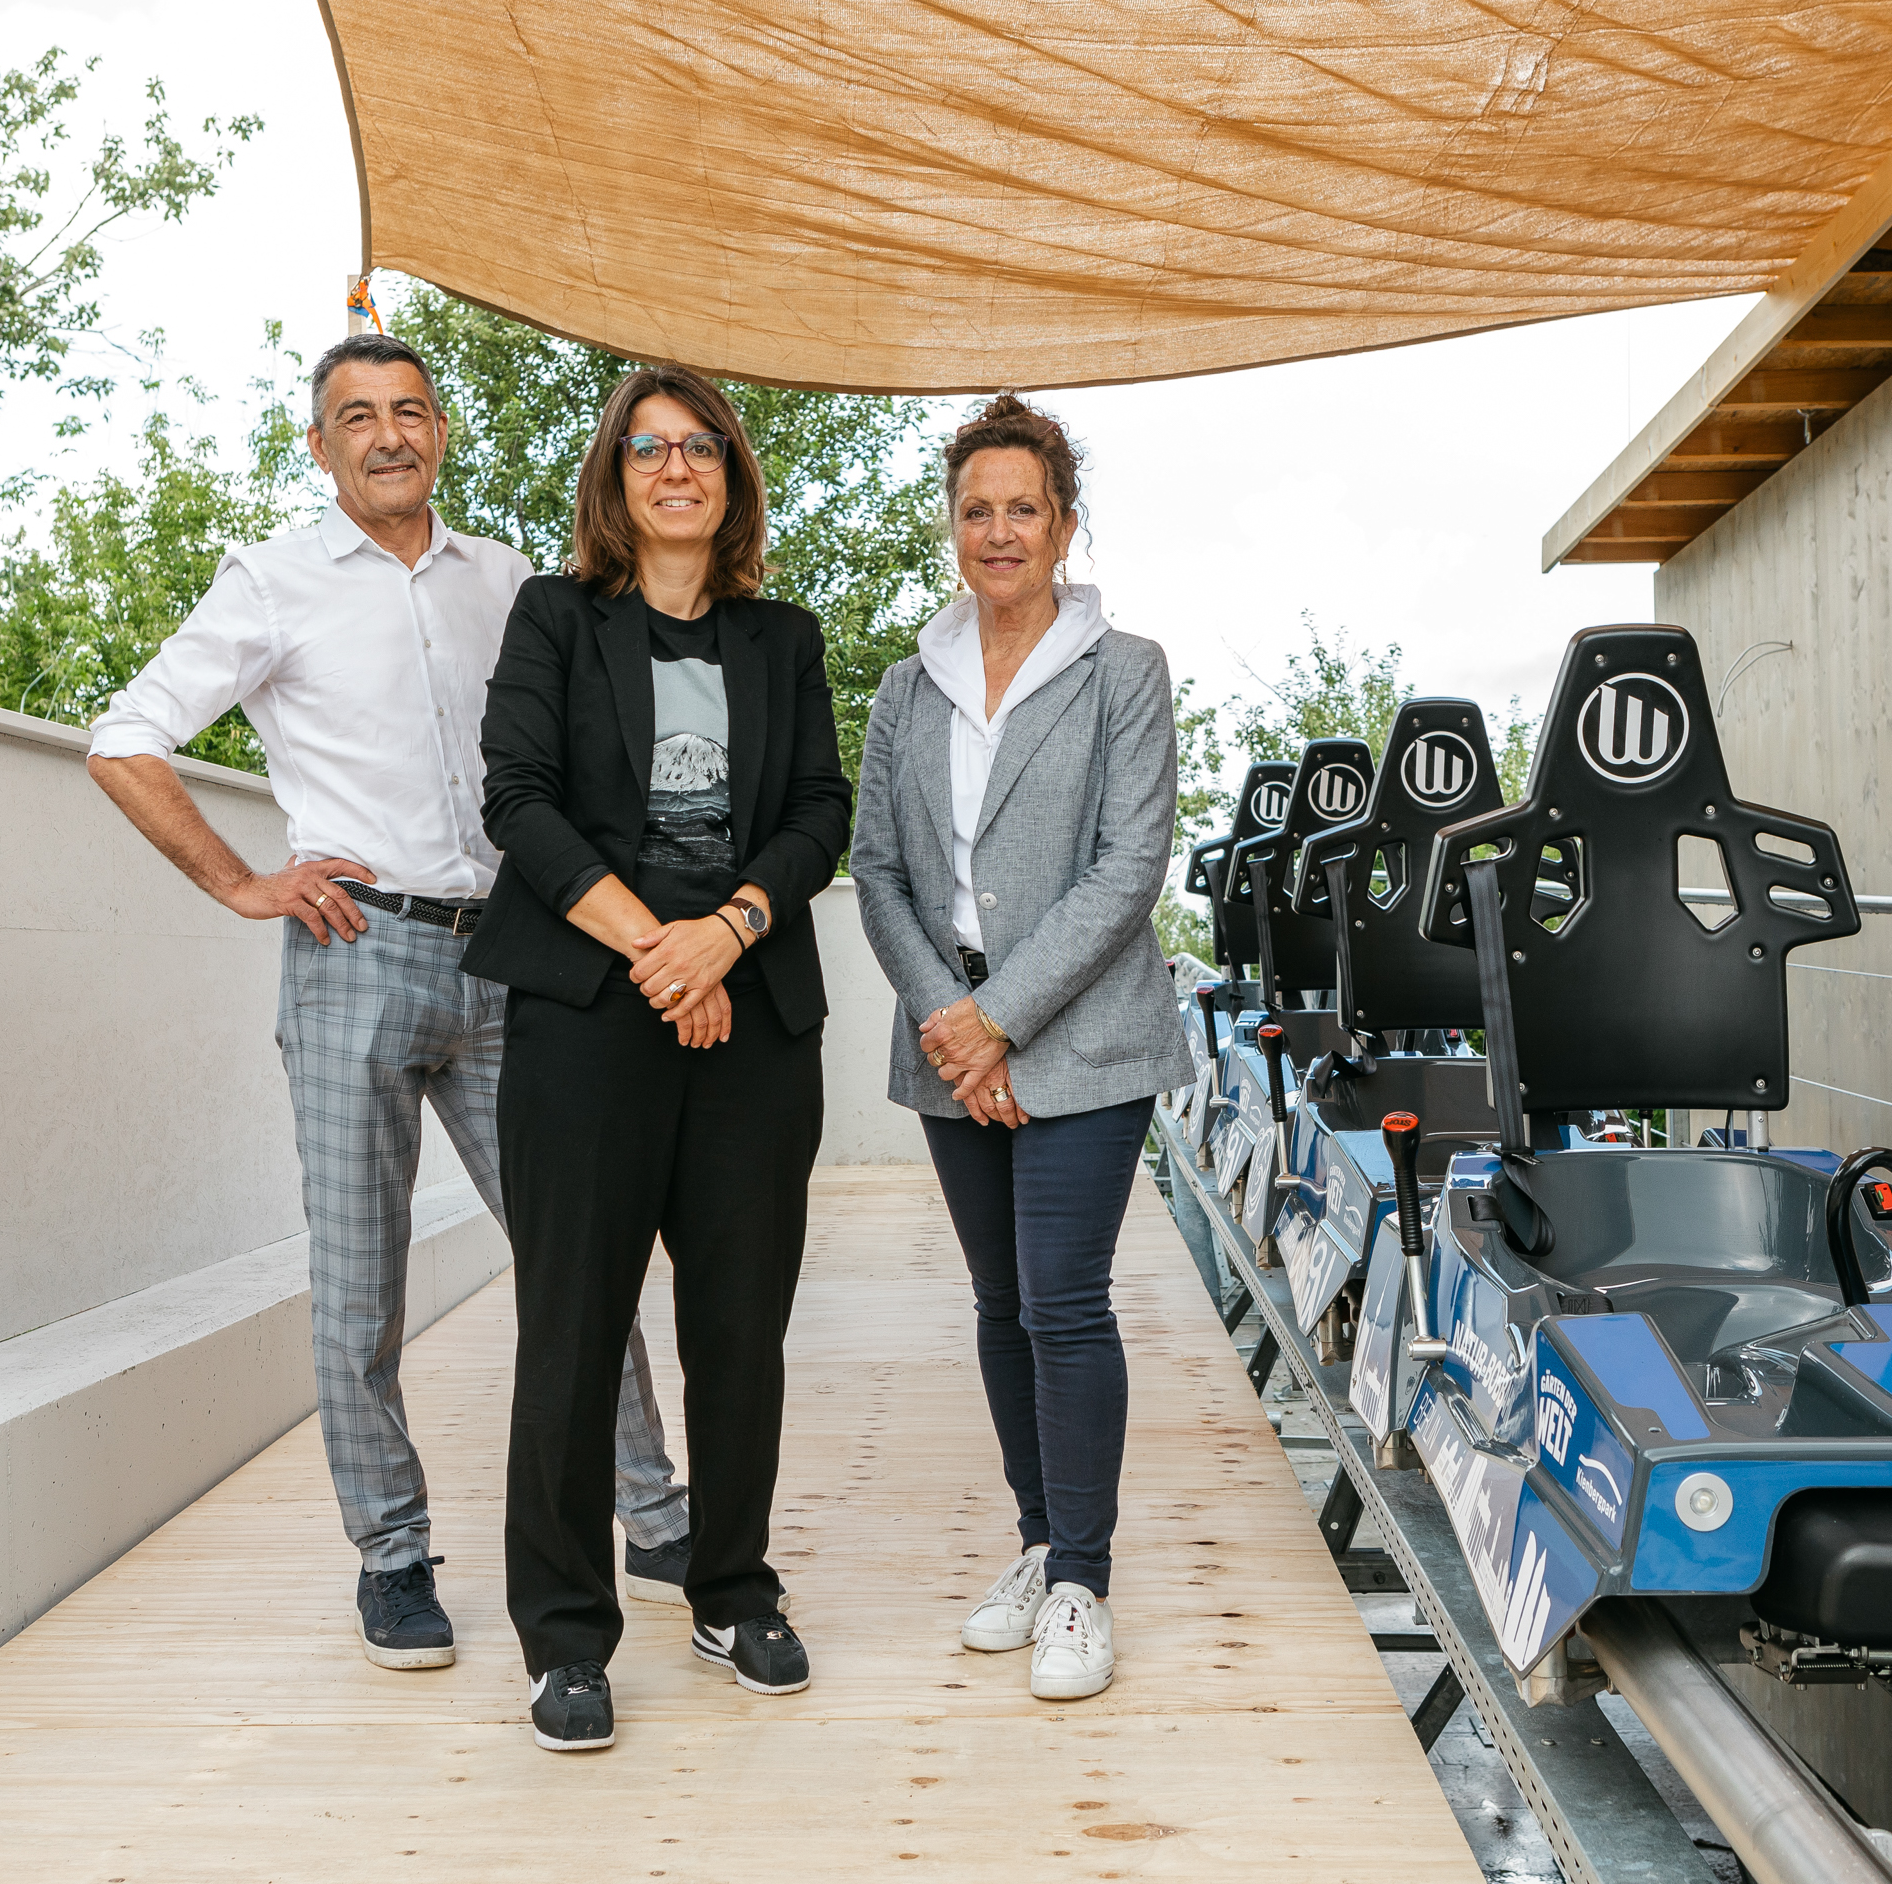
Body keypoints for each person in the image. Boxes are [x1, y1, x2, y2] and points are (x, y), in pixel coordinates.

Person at [85, 332, 693, 1674]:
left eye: (409, 410)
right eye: (356, 416)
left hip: (517, 958)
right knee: (361, 1283)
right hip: (354, 951)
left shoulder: (508, 582)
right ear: (320, 446)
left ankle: (654, 1517)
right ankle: (393, 1556)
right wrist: (244, 881)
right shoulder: (271, 581)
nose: (387, 435)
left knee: (577, 1252)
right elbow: (124, 741)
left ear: (440, 432)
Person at [462, 364, 850, 1752]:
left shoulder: (782, 639)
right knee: (572, 1331)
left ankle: (731, 1590)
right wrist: (660, 955)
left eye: (699, 447)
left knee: (740, 1330)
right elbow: (519, 801)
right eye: (647, 448)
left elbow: (817, 813)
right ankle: (566, 1637)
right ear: (613, 479)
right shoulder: (556, 618)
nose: (675, 467)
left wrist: (723, 939)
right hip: (589, 1016)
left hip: (752, 1018)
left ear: (732, 476)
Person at [849, 394, 1192, 1700]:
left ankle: (1084, 1585)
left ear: (1064, 524)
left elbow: (1128, 869)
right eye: (977, 509)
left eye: (1023, 509)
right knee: (1000, 1307)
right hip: (950, 1038)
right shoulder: (907, 687)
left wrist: (1000, 1022)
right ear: (954, 525)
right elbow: (881, 871)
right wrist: (955, 1022)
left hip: (1082, 1038)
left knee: (1062, 1301)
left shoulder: (1124, 672)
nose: (999, 531)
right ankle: (1044, 1545)